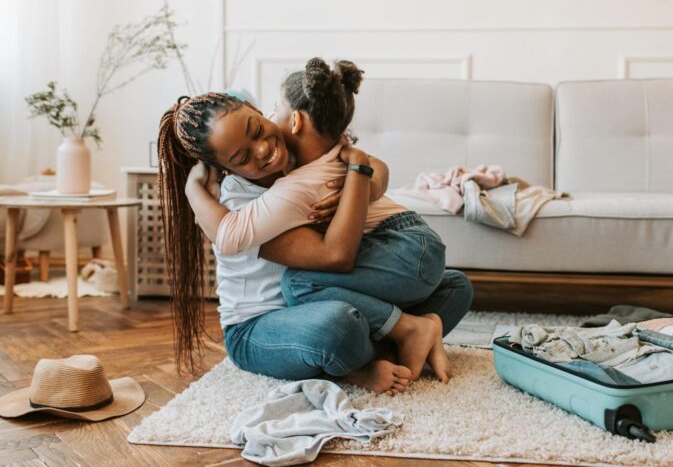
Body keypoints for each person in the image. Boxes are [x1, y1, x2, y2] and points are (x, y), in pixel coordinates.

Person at [157, 59, 473, 394]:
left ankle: (390, 342)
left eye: (258, 130)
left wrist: (356, 189)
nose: (263, 150)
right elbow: (335, 255)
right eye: (242, 158)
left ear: (259, 110)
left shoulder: (296, 155)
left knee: (455, 286)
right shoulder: (237, 205)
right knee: (335, 324)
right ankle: (367, 361)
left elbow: (367, 163)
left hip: (328, 298)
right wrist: (192, 190)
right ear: (222, 167)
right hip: (262, 324)